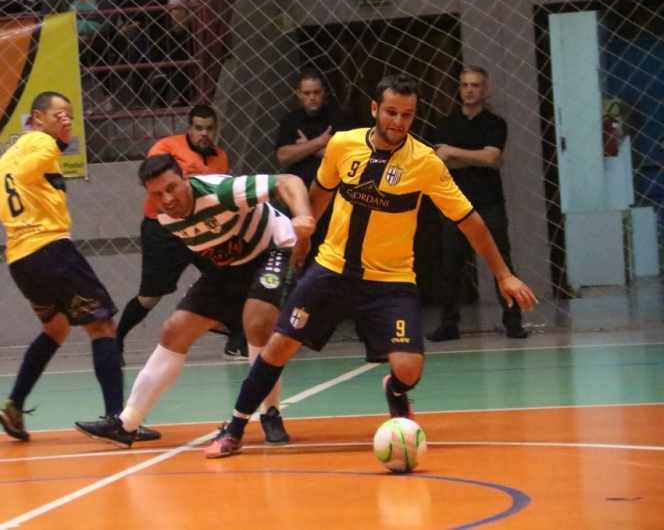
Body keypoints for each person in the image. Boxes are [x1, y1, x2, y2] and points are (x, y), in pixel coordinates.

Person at [203, 73, 539, 459]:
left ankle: (395, 391)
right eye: (392, 112)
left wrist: (504, 274)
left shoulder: (425, 162)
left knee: (409, 368)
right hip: (332, 270)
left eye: (408, 115)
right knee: (278, 347)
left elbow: (469, 220)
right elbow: (320, 192)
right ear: (376, 109)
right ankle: (234, 428)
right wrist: (306, 237)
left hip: (391, 280)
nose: (399, 122)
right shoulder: (344, 145)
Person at [0, 92, 157, 443]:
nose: (66, 119)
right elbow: (27, 171)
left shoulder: (0, 165)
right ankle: (117, 421)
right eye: (59, 114)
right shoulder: (43, 145)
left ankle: (14, 406)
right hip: (51, 250)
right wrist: (56, 145)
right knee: (102, 326)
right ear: (37, 118)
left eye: (70, 115)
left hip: (21, 262)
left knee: (57, 330)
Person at [74, 152, 315, 447]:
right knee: (174, 329)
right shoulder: (165, 217)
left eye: (172, 187)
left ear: (186, 179)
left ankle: (270, 412)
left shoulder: (221, 192)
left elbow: (287, 180)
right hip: (228, 265)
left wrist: (303, 216)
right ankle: (126, 425)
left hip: (274, 249)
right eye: (157, 194)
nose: (167, 199)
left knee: (257, 319)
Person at [115, 105, 250, 362]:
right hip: (164, 229)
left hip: (202, 226)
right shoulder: (168, 147)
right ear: (189, 128)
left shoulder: (220, 157)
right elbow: (153, 172)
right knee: (150, 296)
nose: (204, 134)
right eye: (198, 128)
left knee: (231, 274)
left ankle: (236, 340)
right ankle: (115, 341)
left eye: (209, 128)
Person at [426, 66, 528, 341]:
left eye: (475, 85)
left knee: (501, 264)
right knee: (451, 266)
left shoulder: (495, 124)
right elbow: (440, 161)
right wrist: (475, 157)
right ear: (459, 89)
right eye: (465, 85)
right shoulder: (446, 125)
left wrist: (455, 153)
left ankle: (513, 321)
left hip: (489, 203)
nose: (469, 90)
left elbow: (493, 159)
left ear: (485, 89)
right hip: (454, 205)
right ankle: (448, 323)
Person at [274, 67, 356, 268]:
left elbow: (346, 157)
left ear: (324, 92)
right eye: (307, 93)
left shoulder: (339, 117)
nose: (312, 98)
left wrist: (305, 147)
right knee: (299, 251)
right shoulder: (290, 120)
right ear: (299, 94)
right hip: (299, 198)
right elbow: (283, 156)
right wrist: (320, 141)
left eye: (316, 92)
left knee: (335, 252)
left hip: (334, 198)